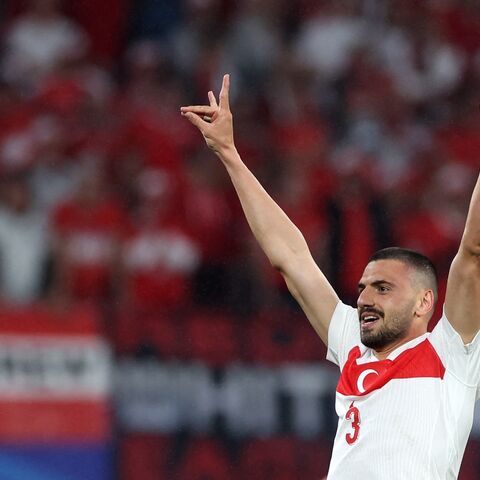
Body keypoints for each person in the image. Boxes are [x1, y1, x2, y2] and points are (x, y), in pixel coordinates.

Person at [181, 74, 480, 479]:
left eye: (383, 288)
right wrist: (229, 154)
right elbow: (291, 258)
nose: (365, 299)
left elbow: (472, 254)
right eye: (363, 289)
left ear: (425, 302)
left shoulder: (451, 353)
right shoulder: (352, 343)